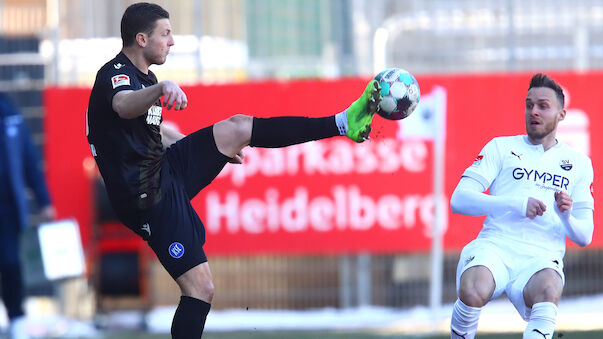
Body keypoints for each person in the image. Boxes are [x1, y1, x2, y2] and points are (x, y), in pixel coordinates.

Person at [85, 3, 381, 338]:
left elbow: (153, 131)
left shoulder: (145, 77)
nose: (172, 42)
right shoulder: (116, 74)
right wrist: (162, 88)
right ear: (141, 39)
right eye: (165, 34)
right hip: (147, 195)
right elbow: (123, 106)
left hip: (163, 170)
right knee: (201, 289)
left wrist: (204, 149)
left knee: (237, 129)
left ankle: (342, 123)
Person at [449, 73, 594, 339]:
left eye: (543, 106)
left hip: (540, 256)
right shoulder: (501, 147)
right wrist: (516, 204)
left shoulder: (579, 163)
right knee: (472, 289)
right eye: (529, 105)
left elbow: (584, 235)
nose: (533, 112)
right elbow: (459, 200)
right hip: (496, 246)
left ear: (561, 115)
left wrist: (565, 216)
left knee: (549, 289)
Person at [0, 92, 56, 339]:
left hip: (7, 209)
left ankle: (16, 320)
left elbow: (29, 161)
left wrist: (44, 201)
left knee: (11, 264)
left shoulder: (9, 114)